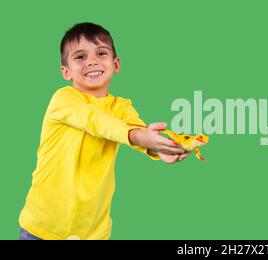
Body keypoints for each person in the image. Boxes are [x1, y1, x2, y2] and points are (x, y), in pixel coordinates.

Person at [18, 22, 188, 240]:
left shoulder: (122, 107)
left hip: (92, 233)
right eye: (80, 57)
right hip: (42, 227)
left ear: (116, 64)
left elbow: (137, 129)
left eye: (101, 53)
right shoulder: (63, 99)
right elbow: (96, 122)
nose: (92, 61)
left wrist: (159, 146)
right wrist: (139, 137)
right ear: (66, 71)